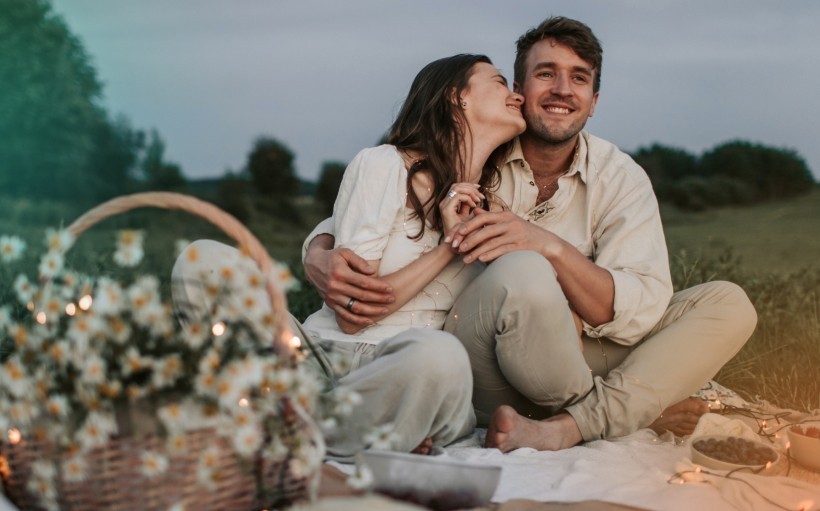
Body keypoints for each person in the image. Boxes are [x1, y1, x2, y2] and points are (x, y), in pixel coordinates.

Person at [302, 16, 758, 452]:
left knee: (727, 304)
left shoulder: (619, 178)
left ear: (594, 100)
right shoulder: (480, 150)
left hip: (572, 348)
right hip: (485, 352)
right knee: (524, 271)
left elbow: (638, 306)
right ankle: (613, 414)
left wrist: (550, 247)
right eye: (545, 74)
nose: (562, 90)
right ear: (520, 93)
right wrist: (319, 248)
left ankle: (584, 417)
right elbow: (394, 203)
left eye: (579, 78)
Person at [172, 54, 526, 460]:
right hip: (315, 359)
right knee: (203, 262)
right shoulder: (384, 166)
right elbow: (355, 310)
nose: (515, 95)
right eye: (499, 82)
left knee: (441, 357)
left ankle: (286, 426)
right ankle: (348, 430)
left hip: (403, 374)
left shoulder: (497, 207)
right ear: (455, 98)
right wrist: (449, 246)